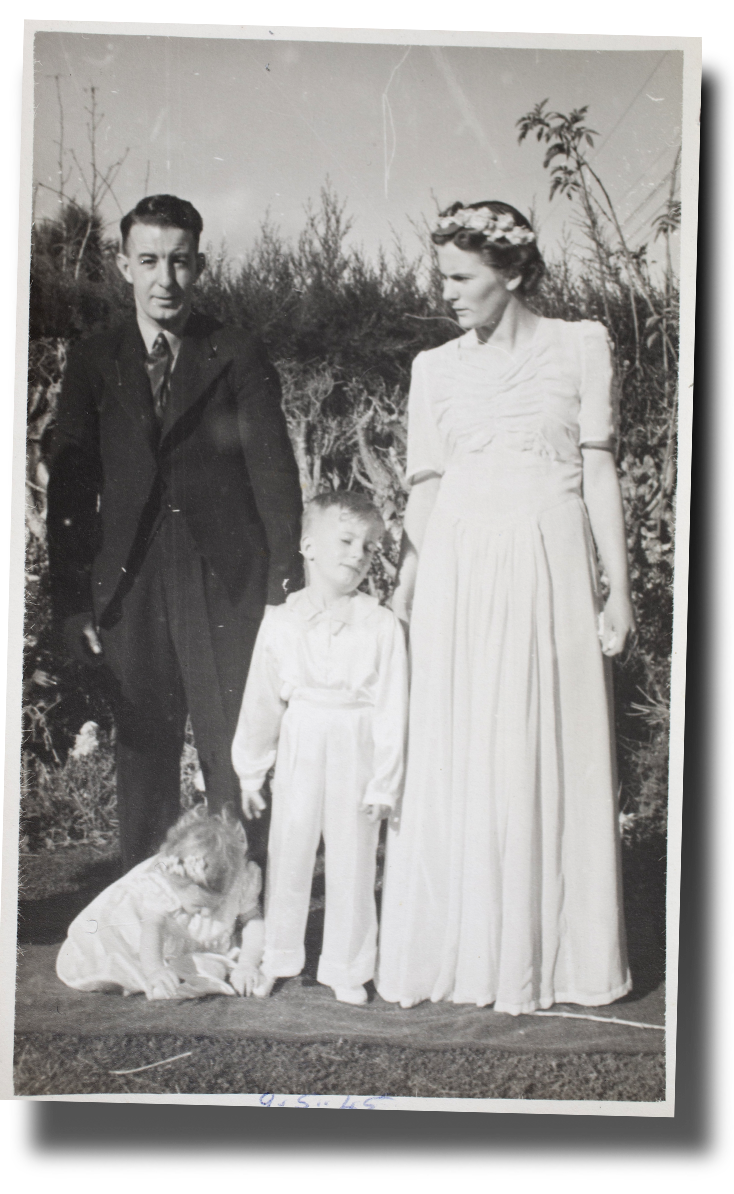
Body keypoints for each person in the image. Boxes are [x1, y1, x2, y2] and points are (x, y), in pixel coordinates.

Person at [376, 201, 635, 1014]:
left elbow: (597, 476)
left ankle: (551, 961)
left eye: (462, 277)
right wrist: (407, 586)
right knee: (461, 746)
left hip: (550, 563)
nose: (446, 293)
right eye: (442, 276)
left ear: (513, 273)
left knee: (545, 742)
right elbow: (426, 488)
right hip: (458, 567)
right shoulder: (433, 367)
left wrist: (617, 588)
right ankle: (466, 953)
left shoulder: (581, 346)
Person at [46, 195, 304, 873]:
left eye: (181, 262)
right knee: (144, 753)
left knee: (233, 751)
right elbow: (70, 490)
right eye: (150, 261)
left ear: (200, 265)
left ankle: (242, 912)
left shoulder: (236, 351)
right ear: (124, 264)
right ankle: (147, 913)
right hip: (130, 581)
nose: (166, 279)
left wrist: (284, 588)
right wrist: (72, 605)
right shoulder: (95, 358)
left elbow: (274, 472)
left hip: (224, 576)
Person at [231, 491, 408, 1004]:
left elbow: (392, 708)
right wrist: (251, 771)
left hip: (357, 740)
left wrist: (384, 781)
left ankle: (348, 966)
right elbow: (261, 699)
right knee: (290, 850)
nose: (359, 554)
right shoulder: (281, 621)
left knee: (354, 857)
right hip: (302, 739)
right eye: (347, 540)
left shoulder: (380, 625)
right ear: (308, 544)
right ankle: (279, 957)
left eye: (370, 548)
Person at [56, 806, 265, 1000]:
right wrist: (155, 969)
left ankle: (188, 961)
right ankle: (158, 967)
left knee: (211, 966)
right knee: (119, 961)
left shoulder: (239, 878)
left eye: (216, 906)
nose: (207, 915)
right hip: (151, 932)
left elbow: (252, 919)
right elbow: (152, 926)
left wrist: (248, 964)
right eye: (198, 907)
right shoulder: (166, 883)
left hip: (191, 937)